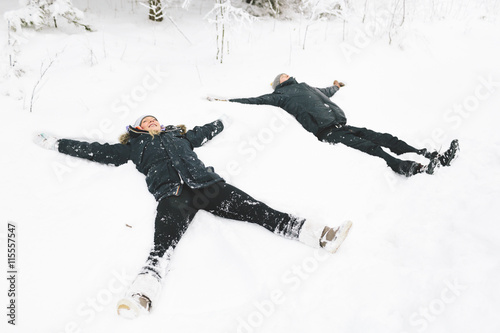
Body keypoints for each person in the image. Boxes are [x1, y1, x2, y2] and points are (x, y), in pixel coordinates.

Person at [35, 115, 352, 318]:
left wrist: (222, 121)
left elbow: (204, 132)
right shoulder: (133, 148)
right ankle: (143, 292)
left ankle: (320, 235)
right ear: (137, 128)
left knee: (258, 210)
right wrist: (56, 143)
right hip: (172, 194)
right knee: (164, 241)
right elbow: (96, 151)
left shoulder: (179, 136)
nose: (153, 123)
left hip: (209, 186)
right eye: (147, 122)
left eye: (155, 120)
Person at [209, 73, 459, 177]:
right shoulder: (280, 96)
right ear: (278, 84)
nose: (285, 74)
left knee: (385, 137)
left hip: (342, 125)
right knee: (371, 148)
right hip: (328, 133)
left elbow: (326, 91)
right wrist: (226, 100)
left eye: (285, 74)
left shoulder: (306, 87)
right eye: (281, 76)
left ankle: (428, 154)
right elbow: (254, 100)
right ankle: (410, 168)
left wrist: (336, 86)